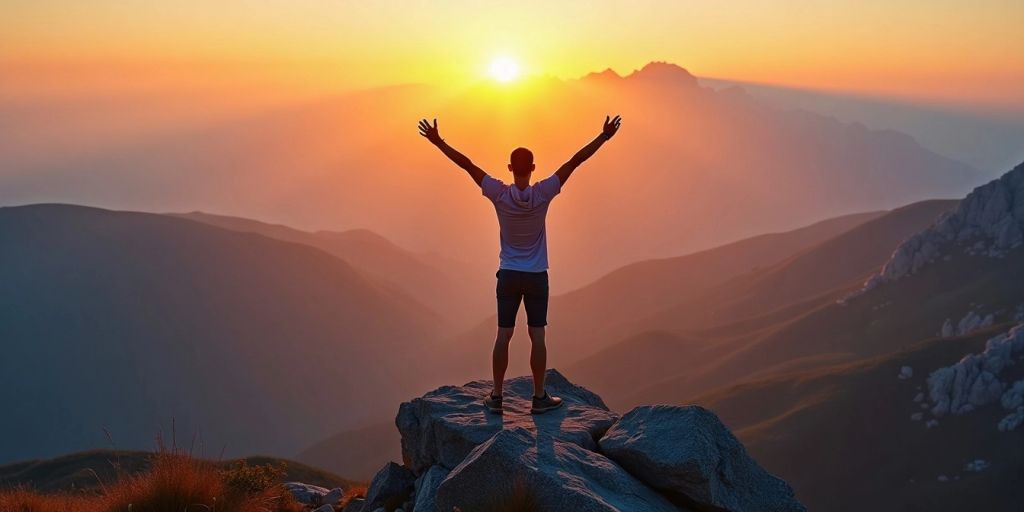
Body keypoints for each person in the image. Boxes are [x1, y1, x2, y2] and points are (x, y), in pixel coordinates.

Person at [418, 115, 622, 414]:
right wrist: (603, 137)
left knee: (504, 334)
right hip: (537, 276)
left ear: (511, 168)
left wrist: (438, 142)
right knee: (537, 335)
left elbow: (467, 165)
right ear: (534, 168)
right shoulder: (543, 193)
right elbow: (574, 161)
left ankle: (497, 397)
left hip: (509, 275)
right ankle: (539, 398)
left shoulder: (499, 193)